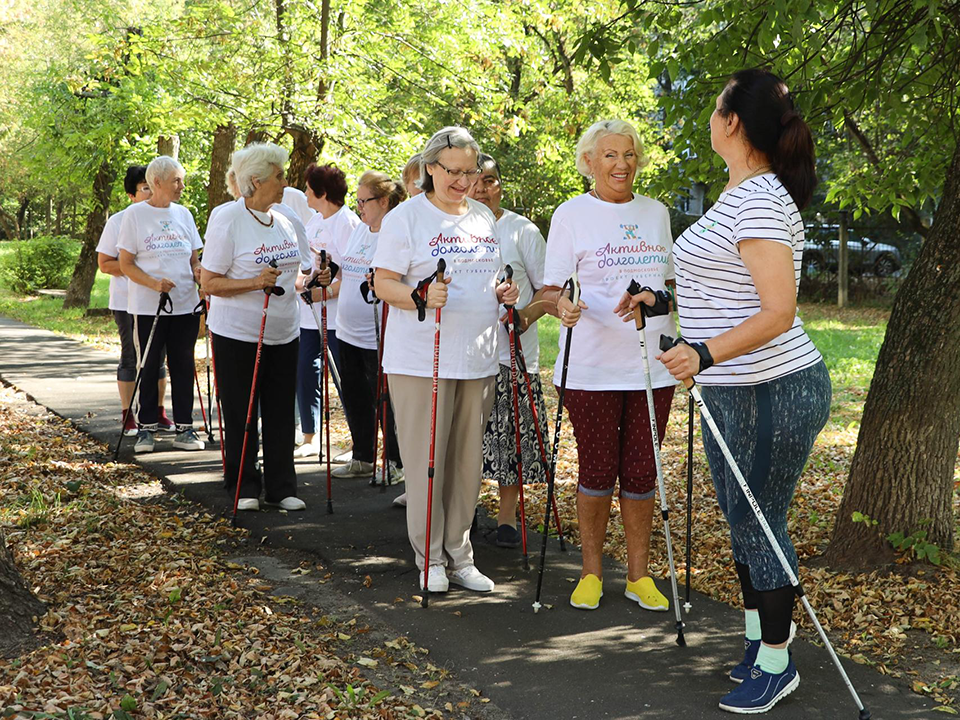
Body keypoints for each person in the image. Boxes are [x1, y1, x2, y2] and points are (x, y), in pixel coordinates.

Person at [655, 69, 828, 715]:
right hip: (730, 388)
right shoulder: (741, 195)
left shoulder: (757, 199)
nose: (708, 115)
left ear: (731, 122)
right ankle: (759, 644)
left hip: (770, 388)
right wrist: (664, 300)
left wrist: (700, 352)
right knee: (743, 522)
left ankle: (779, 666)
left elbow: (777, 311)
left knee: (760, 524)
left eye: (713, 106)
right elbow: (726, 290)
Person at [373, 126, 518, 593]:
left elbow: (486, 277)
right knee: (427, 462)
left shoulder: (481, 217)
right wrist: (418, 295)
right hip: (421, 360)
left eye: (469, 172)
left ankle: (461, 554)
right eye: (451, 171)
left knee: (466, 464)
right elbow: (383, 283)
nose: (461, 181)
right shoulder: (406, 218)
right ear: (430, 168)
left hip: (477, 356)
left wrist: (502, 292)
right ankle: (429, 556)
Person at [540, 119, 676, 613]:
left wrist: (653, 299)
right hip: (591, 368)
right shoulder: (571, 213)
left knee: (642, 473)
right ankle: (591, 572)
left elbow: (672, 289)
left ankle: (639, 576)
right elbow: (554, 289)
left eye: (629, 155)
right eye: (611, 156)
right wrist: (564, 306)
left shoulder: (657, 213)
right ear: (589, 162)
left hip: (652, 367)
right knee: (598, 469)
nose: (622, 165)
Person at [201, 142, 314, 512]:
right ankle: (243, 483)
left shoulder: (286, 220)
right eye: (278, 176)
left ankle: (282, 488)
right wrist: (253, 282)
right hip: (238, 334)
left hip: (285, 331)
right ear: (256, 181)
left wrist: (317, 279)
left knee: (282, 410)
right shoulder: (227, 219)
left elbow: (299, 278)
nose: (284, 183)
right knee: (241, 410)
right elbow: (210, 283)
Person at [471, 154, 550, 549]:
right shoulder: (456, 228)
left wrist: (523, 316)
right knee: (468, 440)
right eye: (476, 180)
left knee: (511, 442)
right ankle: (463, 513)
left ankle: (506, 519)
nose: (483, 189)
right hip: (466, 356)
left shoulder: (522, 231)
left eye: (490, 180)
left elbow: (552, 290)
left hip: (511, 357)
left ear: (500, 184)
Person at [117, 156, 204, 454]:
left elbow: (194, 258)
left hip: (185, 304)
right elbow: (125, 264)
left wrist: (199, 273)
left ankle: (185, 429)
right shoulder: (134, 215)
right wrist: (154, 284)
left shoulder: (184, 214)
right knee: (149, 364)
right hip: (148, 306)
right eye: (176, 180)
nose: (182, 185)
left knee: (183, 364)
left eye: (181, 179)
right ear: (157, 183)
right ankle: (146, 429)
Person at [331, 171, 406, 481]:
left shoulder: (394, 231)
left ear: (384, 201)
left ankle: (394, 462)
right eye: (357, 200)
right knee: (355, 397)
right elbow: (345, 269)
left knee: (385, 400)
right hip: (347, 330)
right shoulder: (361, 230)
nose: (359, 206)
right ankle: (363, 456)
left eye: (364, 201)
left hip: (378, 334)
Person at [96, 165, 173, 437]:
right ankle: (128, 414)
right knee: (131, 357)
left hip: (161, 299)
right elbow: (105, 264)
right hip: (127, 301)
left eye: (152, 186)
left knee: (158, 358)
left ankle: (158, 411)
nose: (150, 192)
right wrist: (136, 267)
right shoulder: (119, 221)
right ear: (131, 195)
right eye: (144, 188)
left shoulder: (170, 217)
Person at [295, 163, 360, 458]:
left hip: (339, 318)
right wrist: (304, 283)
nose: (305, 193)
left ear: (322, 192)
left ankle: (360, 442)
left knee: (346, 378)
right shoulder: (315, 221)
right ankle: (309, 438)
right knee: (306, 372)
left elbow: (356, 273)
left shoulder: (347, 223)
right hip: (309, 316)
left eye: (309, 189)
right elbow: (307, 265)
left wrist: (326, 293)